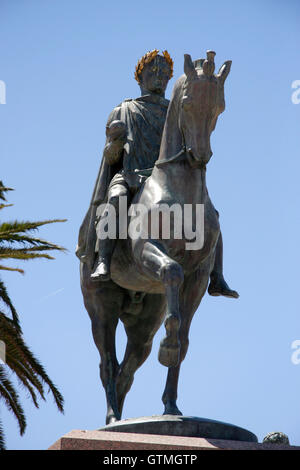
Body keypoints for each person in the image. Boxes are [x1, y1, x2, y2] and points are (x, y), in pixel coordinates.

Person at [76, 49, 238, 298]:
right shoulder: (125, 110)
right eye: (153, 71)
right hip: (132, 176)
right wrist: (114, 144)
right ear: (140, 77)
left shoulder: (175, 109)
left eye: (165, 72)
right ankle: (104, 260)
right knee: (115, 199)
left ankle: (216, 276)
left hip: (168, 181)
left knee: (209, 213)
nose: (160, 76)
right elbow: (111, 158)